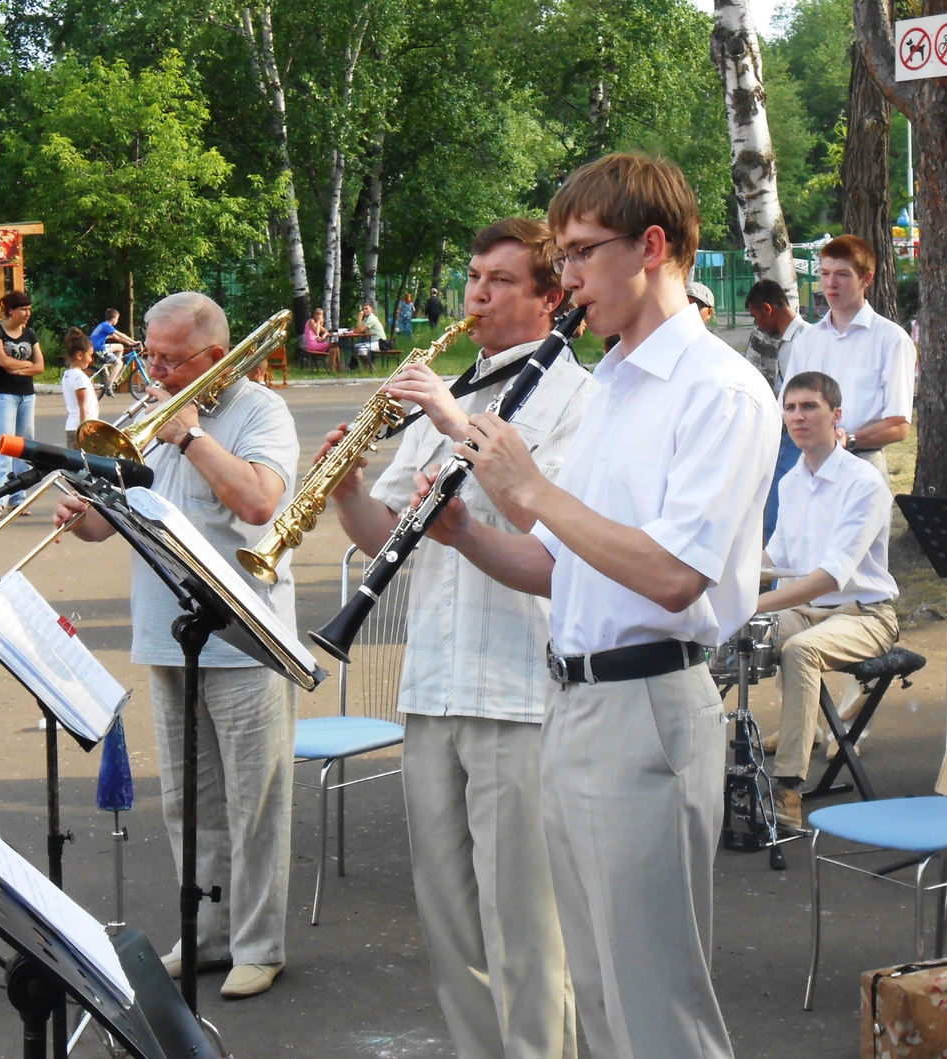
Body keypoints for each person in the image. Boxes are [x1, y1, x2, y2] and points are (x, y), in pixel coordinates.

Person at [426, 153, 779, 1059]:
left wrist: (533, 487)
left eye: (582, 254)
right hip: (574, 700)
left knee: (656, 1005)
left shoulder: (720, 390)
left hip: (650, 704)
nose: (568, 278)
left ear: (651, 246)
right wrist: (464, 529)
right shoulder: (614, 383)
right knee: (597, 994)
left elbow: (672, 576)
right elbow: (558, 568)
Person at [325, 217, 596, 1059]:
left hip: (520, 689)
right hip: (432, 682)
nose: (475, 294)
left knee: (526, 930)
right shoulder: (456, 388)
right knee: (449, 925)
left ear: (551, 297)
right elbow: (394, 536)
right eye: (473, 277)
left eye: (500, 280)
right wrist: (346, 491)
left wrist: (449, 418)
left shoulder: (578, 401)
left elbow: (556, 541)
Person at [52, 291, 300, 998]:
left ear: (214, 359)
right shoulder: (147, 416)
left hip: (244, 638)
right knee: (186, 802)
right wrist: (82, 511)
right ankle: (208, 932)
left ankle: (258, 943)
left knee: (254, 801)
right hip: (166, 635)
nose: (150, 369)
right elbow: (114, 523)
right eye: (147, 354)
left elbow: (257, 501)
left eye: (166, 358)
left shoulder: (261, 413)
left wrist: (191, 435)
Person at [756, 371, 899, 829]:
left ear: (836, 415)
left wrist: (755, 603)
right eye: (790, 408)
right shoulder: (791, 482)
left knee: (800, 650)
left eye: (809, 407)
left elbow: (829, 577)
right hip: (804, 612)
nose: (797, 416)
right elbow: (774, 559)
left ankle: (787, 789)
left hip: (867, 614)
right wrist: (717, 580)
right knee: (738, 635)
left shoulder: (864, 482)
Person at [777, 234, 915, 488]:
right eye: (825, 273)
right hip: (808, 467)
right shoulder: (806, 341)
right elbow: (785, 408)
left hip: (863, 464)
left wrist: (847, 439)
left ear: (866, 279)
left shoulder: (891, 339)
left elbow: (899, 425)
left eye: (842, 274)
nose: (830, 283)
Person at [748, 278, 813, 541]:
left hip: (797, 433)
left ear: (768, 309)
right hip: (783, 431)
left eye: (756, 317)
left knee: (779, 505)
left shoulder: (806, 340)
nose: (757, 325)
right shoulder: (787, 342)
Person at [0, 290, 44, 520]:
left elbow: (40, 366)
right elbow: (2, 360)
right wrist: (24, 365)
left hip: (27, 395)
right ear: (10, 310)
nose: (27, 313)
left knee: (23, 447)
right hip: (4, 394)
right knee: (3, 446)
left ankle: (18, 498)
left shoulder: (29, 333)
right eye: (23, 309)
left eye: (29, 309)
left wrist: (18, 368)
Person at [61, 327, 100, 448]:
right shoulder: (79, 377)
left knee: (75, 464)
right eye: (89, 355)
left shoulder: (67, 374)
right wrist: (84, 426)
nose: (91, 359)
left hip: (72, 426)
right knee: (85, 464)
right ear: (79, 355)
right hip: (82, 428)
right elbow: (82, 405)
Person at [90, 308, 137, 387]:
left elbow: (117, 338)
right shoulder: (107, 326)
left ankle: (115, 369)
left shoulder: (103, 325)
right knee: (119, 363)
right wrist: (134, 342)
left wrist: (129, 343)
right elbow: (121, 335)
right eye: (117, 319)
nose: (117, 321)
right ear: (113, 318)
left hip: (96, 347)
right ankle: (109, 384)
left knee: (120, 347)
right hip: (100, 349)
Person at [302, 306, 339, 371]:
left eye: (320, 315)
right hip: (312, 345)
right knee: (335, 345)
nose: (319, 316)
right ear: (314, 315)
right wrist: (319, 322)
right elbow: (316, 332)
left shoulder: (317, 324)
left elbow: (326, 332)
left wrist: (323, 336)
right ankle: (335, 366)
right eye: (317, 314)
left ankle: (335, 366)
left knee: (333, 348)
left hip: (316, 343)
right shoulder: (311, 321)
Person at [352, 302, 386, 370]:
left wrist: (359, 318)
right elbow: (359, 329)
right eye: (363, 309)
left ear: (371, 310)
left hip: (380, 342)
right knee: (355, 347)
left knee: (361, 349)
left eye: (366, 309)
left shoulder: (372, 318)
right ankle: (367, 366)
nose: (364, 311)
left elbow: (360, 331)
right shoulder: (366, 319)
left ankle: (371, 367)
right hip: (373, 341)